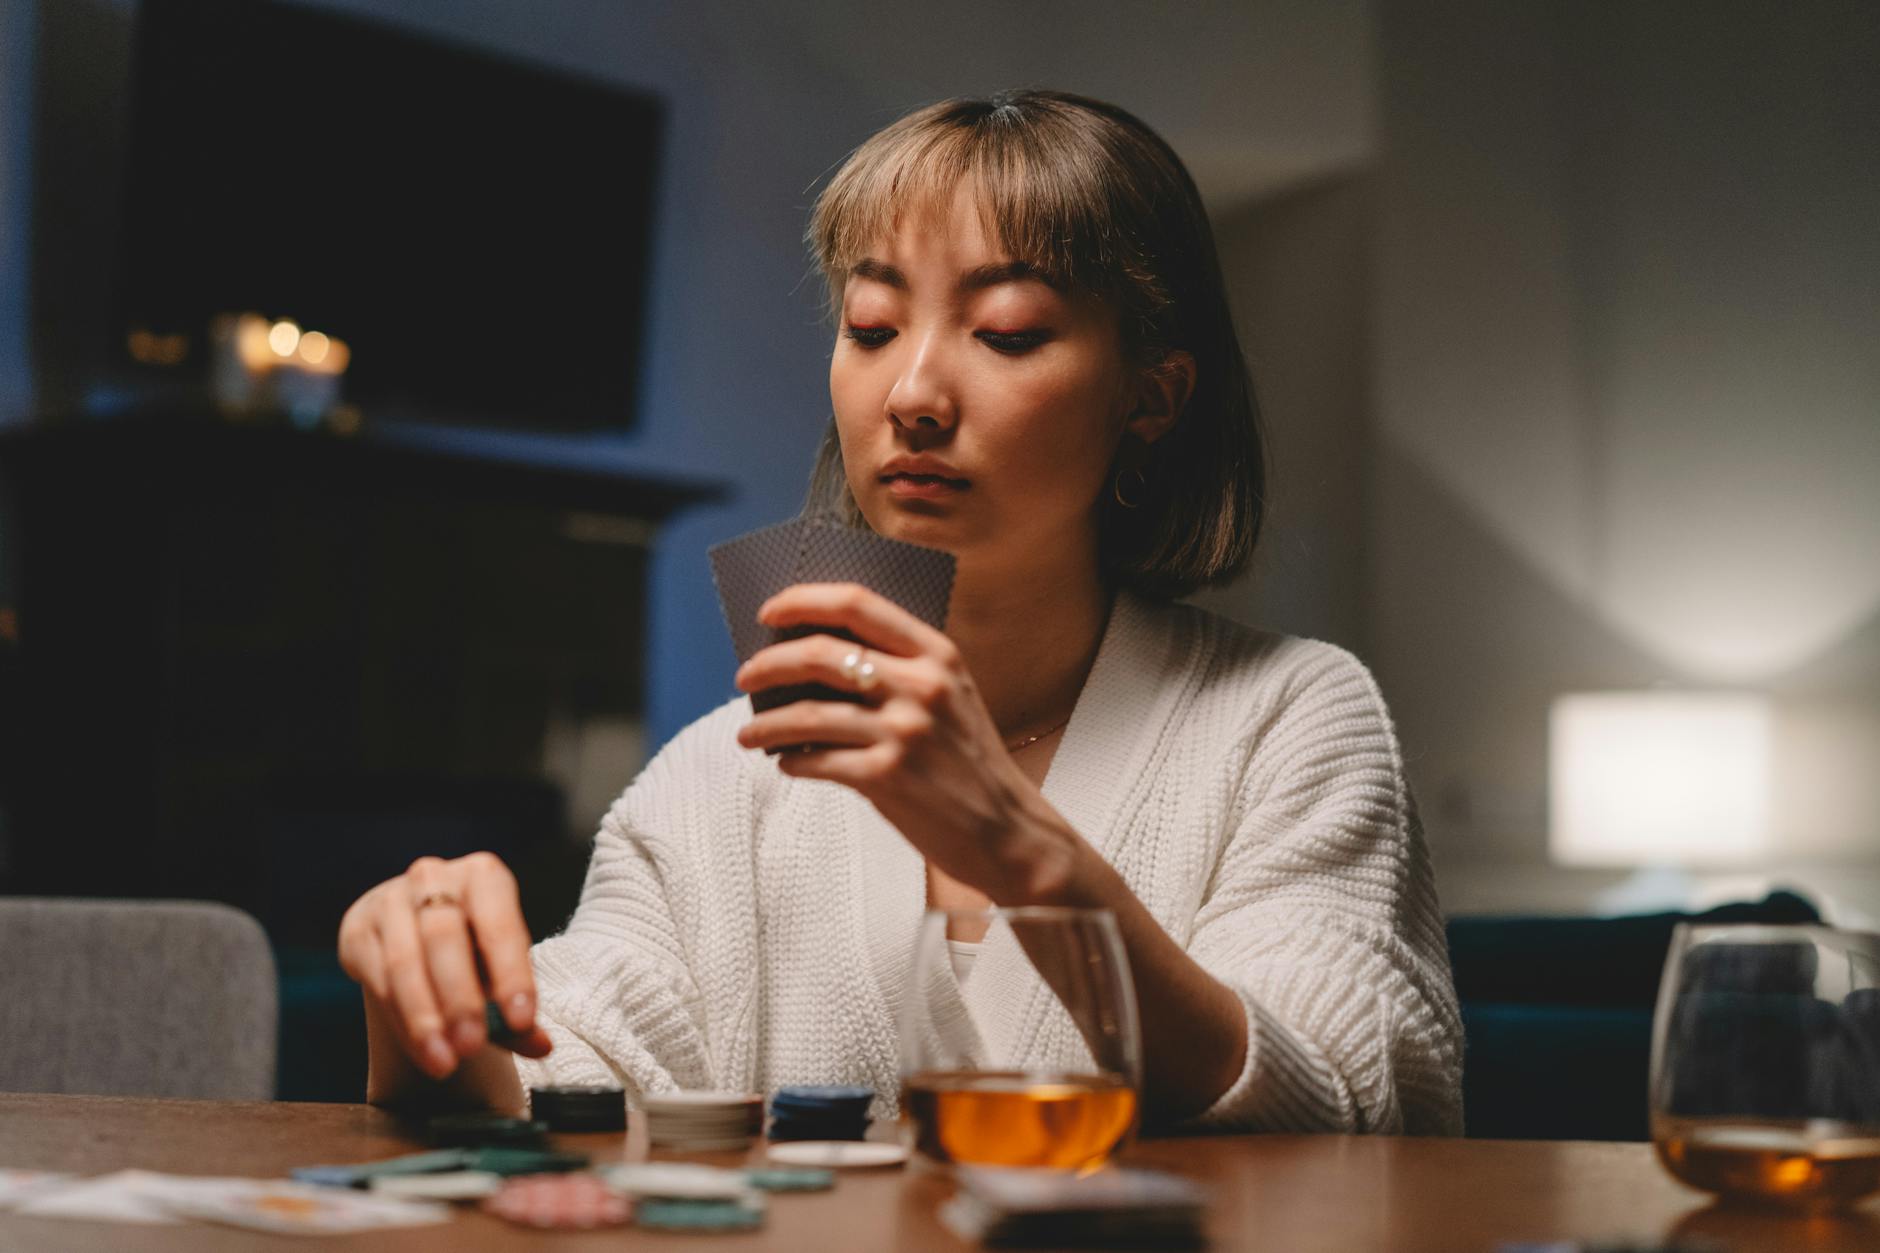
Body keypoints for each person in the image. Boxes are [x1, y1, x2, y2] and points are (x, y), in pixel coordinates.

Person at [338, 90, 1463, 1134]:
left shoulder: (1291, 719)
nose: (912, 396)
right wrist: (425, 998)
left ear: (1151, 394)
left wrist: (1020, 850)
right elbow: (556, 1090)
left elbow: (1350, 1106)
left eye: (1008, 331)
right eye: (871, 327)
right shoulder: (722, 777)